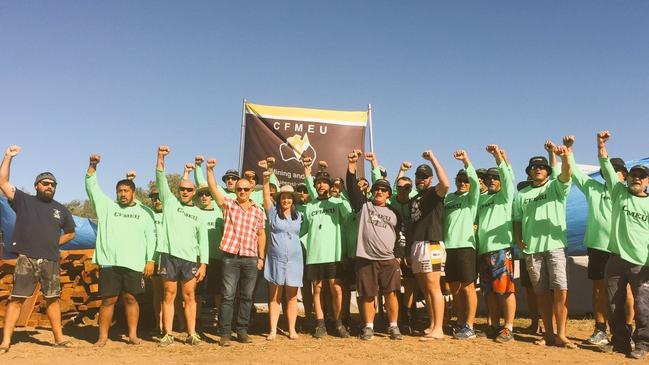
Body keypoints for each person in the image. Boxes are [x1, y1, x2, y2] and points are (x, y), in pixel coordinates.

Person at [0, 145, 76, 352]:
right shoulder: (24, 200)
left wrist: (54, 243)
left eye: (53, 184)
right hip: (27, 259)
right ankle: (6, 341)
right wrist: (8, 157)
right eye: (45, 183)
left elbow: (71, 232)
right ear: (36, 186)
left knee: (52, 299)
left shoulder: (61, 209)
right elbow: (3, 182)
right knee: (16, 299)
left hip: (51, 259)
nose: (49, 186)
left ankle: (59, 338)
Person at [563, 134, 635, 346]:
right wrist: (569, 150)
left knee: (626, 290)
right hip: (596, 246)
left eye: (616, 171)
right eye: (607, 171)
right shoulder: (593, 188)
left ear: (624, 175)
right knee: (598, 290)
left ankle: (627, 331)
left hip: (621, 248)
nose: (611, 174)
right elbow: (574, 172)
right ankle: (600, 329)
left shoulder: (628, 194)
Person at [84, 154, 156, 346]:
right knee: (108, 300)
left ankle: (132, 335)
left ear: (133, 192)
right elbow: (92, 188)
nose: (122, 194)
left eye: (126, 190)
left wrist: (150, 260)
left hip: (134, 263)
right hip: (110, 262)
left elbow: (151, 237)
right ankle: (102, 337)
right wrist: (92, 166)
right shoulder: (107, 207)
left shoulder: (144, 213)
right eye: (119, 191)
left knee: (131, 298)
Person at [513, 145, 574, 348]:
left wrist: (564, 156)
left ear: (547, 170)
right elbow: (517, 219)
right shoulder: (522, 194)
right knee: (541, 293)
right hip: (532, 249)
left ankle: (561, 335)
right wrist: (519, 239)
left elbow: (565, 173)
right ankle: (548, 333)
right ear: (529, 172)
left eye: (541, 166)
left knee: (560, 290)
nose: (537, 169)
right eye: (533, 167)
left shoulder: (555, 186)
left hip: (555, 246)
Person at [597, 131, 649, 359]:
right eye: (633, 175)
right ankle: (619, 341)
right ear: (626, 178)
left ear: (647, 181)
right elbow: (607, 168)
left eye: (641, 176)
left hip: (642, 262)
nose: (636, 178)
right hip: (616, 259)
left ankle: (644, 344)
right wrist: (601, 145)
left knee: (643, 307)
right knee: (613, 303)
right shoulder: (619, 193)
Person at [206, 158, 266, 347]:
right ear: (235, 190)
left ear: (251, 191)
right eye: (239, 189)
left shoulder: (258, 210)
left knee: (247, 297)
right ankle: (224, 333)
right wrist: (209, 170)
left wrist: (261, 257)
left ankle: (241, 331)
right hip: (230, 258)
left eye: (246, 189)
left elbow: (261, 234)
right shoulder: (229, 205)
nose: (242, 192)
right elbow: (214, 188)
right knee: (228, 296)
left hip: (250, 258)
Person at [346, 150, 404, 341]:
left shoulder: (395, 212)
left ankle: (393, 326)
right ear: (372, 192)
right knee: (368, 295)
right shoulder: (364, 207)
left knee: (392, 294)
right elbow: (352, 187)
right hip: (366, 258)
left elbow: (401, 236)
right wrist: (352, 164)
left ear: (389, 194)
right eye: (376, 189)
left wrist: (398, 255)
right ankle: (368, 327)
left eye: (383, 190)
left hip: (388, 260)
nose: (379, 191)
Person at [154, 145, 208, 346]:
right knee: (168, 295)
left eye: (188, 189)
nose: (185, 192)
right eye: (182, 189)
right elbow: (160, 176)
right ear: (177, 191)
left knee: (189, 296)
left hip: (189, 259)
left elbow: (203, 241)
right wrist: (160, 157)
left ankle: (191, 333)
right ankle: (167, 334)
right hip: (169, 256)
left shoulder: (199, 214)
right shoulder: (169, 202)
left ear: (194, 192)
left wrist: (204, 264)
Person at [300, 156, 353, 338]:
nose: (321, 185)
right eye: (318, 183)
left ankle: (338, 322)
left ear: (330, 186)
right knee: (317, 289)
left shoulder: (337, 202)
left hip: (334, 254)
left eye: (325, 182)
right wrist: (306, 169)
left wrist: (341, 193)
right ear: (315, 186)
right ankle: (320, 323)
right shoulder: (310, 206)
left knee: (336, 288)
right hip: (315, 255)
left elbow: (349, 212)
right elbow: (303, 230)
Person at [407, 149, 449, 340]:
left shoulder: (435, 192)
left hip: (431, 243)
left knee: (434, 287)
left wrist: (433, 158)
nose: (421, 179)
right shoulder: (414, 198)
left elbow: (446, 183)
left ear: (431, 179)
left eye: (425, 177)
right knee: (425, 289)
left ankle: (439, 328)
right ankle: (432, 324)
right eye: (418, 176)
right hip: (417, 244)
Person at [476, 145, 516, 342]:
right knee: (489, 292)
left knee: (506, 290)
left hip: (501, 249)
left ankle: (508, 328)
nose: (492, 180)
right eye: (489, 178)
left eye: (495, 178)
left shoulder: (505, 195)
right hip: (483, 250)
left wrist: (498, 158)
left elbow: (509, 178)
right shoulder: (483, 198)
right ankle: (494, 325)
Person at [261, 171, 303, 340]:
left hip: (295, 261)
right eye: (283, 197)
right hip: (275, 260)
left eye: (289, 197)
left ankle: (292, 329)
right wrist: (265, 180)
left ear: (293, 200)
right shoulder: (272, 213)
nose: (286, 200)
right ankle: (272, 330)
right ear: (279, 200)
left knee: (292, 297)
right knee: (274, 296)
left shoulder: (299, 216)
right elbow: (265, 198)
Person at [443, 150, 480, 339]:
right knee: (455, 288)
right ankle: (459, 322)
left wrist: (466, 161)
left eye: (466, 180)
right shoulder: (448, 198)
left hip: (466, 247)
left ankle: (470, 325)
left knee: (468, 287)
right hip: (449, 248)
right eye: (460, 180)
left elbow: (474, 181)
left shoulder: (471, 198)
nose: (463, 183)